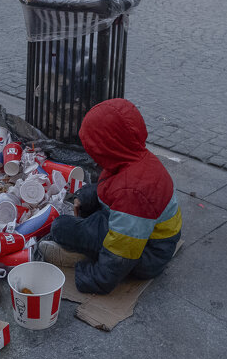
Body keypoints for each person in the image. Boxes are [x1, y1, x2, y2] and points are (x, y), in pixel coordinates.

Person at [37, 99, 182, 293]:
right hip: (146, 237)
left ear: (107, 147)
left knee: (61, 228)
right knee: (86, 212)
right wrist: (86, 196)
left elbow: (121, 253)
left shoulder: (133, 192)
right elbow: (112, 188)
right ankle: (85, 246)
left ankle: (78, 256)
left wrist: (92, 277)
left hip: (148, 255)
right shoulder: (134, 158)